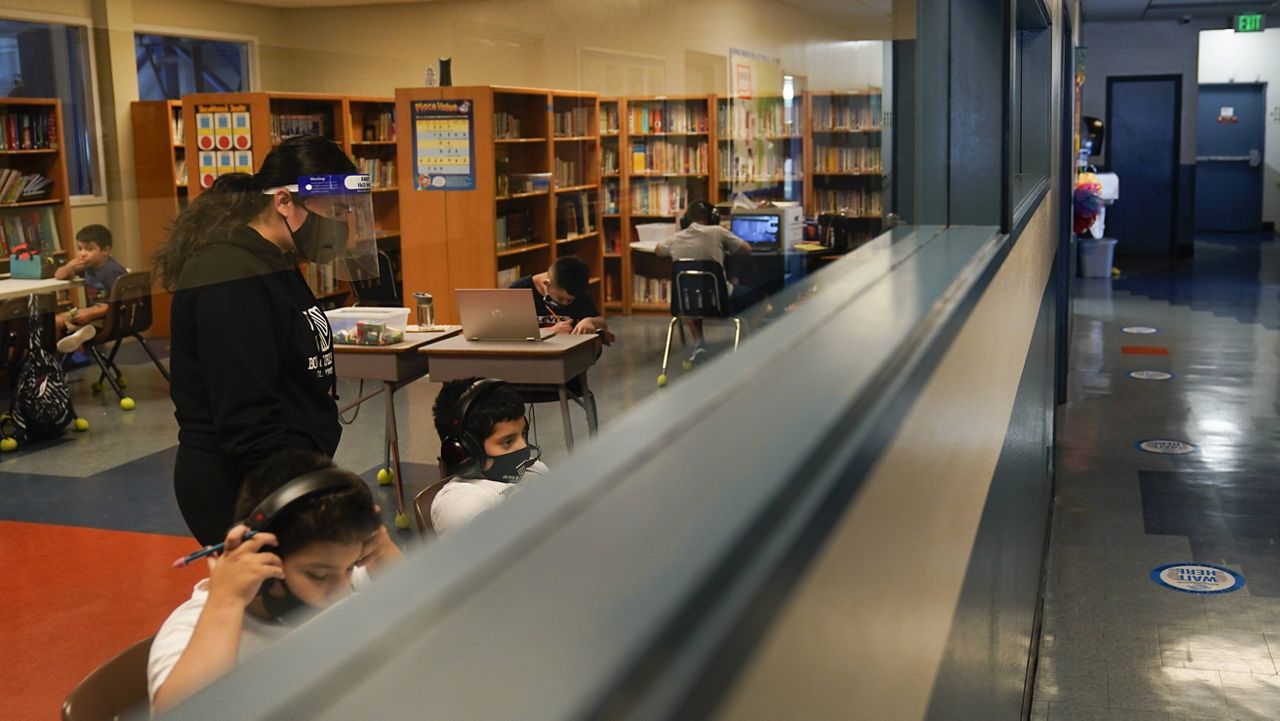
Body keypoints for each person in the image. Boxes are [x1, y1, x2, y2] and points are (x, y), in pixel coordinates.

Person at [154, 134, 362, 546]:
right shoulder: (230, 276)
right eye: (335, 210)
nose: (341, 224)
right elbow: (246, 418)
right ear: (284, 201)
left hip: (287, 473)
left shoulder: (274, 260)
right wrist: (298, 500)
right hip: (243, 487)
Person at [147, 450, 402, 713]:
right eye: (318, 575)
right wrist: (226, 604)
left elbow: (429, 613)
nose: (339, 589)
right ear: (262, 555)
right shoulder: (192, 629)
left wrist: (382, 551)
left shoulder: (339, 578)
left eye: (350, 567)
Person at [430, 377, 549, 536]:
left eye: (523, 434)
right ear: (464, 452)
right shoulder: (460, 505)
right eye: (507, 441)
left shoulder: (534, 468)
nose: (523, 447)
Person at [655, 200, 751, 358]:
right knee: (762, 297)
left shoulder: (676, 237)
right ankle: (751, 344)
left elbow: (658, 250)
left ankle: (699, 343)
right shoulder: (719, 232)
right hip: (720, 301)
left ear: (686, 221)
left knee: (692, 295)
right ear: (714, 219)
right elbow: (747, 248)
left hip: (687, 304)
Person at [52, 224, 127, 354]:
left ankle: (55, 363)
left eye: (89, 249)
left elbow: (121, 303)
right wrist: (69, 266)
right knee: (55, 322)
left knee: (56, 322)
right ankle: (79, 336)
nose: (83, 254)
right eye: (80, 248)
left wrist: (92, 314)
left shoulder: (112, 271)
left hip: (108, 318)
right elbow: (59, 275)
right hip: (93, 314)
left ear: (105, 251)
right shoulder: (89, 266)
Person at [509, 256, 609, 337]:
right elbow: (507, 333)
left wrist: (591, 321)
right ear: (547, 284)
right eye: (560, 299)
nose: (565, 303)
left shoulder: (575, 288)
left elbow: (602, 323)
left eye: (570, 301)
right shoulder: (519, 290)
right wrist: (550, 331)